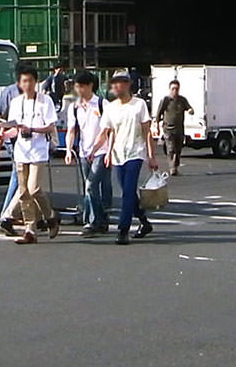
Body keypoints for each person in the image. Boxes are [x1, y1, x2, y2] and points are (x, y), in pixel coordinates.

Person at [0, 69, 59, 244]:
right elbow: (14, 128)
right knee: (23, 192)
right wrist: (3, 135)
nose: (28, 84)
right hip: (21, 151)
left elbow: (50, 127)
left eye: (31, 80)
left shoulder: (45, 101)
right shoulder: (16, 102)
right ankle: (30, 230)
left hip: (39, 149)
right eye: (24, 81)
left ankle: (50, 216)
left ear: (36, 82)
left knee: (34, 188)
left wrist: (32, 129)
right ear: (19, 83)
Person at [94, 71, 155, 244]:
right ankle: (144, 221)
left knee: (128, 192)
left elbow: (146, 132)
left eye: (118, 83)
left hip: (135, 153)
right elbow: (107, 132)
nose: (114, 86)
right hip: (117, 155)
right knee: (128, 193)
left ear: (127, 84)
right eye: (113, 83)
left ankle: (123, 230)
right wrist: (98, 150)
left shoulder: (139, 105)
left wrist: (151, 156)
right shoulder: (110, 108)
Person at [64, 72, 111, 236]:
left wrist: (97, 150)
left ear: (90, 85)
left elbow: (106, 131)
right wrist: (69, 150)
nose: (79, 90)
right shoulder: (74, 107)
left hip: (101, 150)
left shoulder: (101, 103)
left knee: (91, 185)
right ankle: (101, 220)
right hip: (84, 151)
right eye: (77, 86)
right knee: (90, 188)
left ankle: (92, 222)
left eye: (82, 86)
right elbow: (71, 130)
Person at [154, 79, 192, 175]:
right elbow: (158, 114)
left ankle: (176, 165)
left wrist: (190, 110)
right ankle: (172, 168)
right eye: (173, 89)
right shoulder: (166, 100)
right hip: (168, 129)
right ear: (169, 89)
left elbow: (189, 108)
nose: (175, 91)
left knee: (178, 149)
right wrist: (157, 127)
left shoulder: (182, 100)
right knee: (171, 149)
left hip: (179, 129)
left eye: (177, 89)